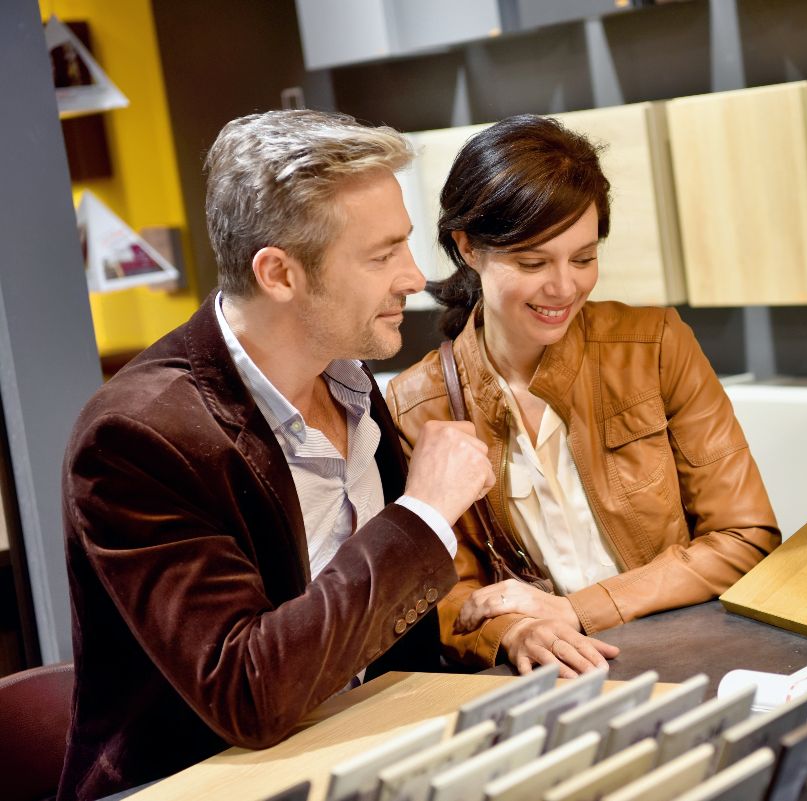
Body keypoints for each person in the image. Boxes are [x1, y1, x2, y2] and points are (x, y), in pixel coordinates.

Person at [59, 110, 495, 801]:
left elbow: (360, 626)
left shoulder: (346, 380)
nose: (415, 277)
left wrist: (488, 617)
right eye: (382, 255)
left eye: (405, 245)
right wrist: (422, 516)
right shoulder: (135, 438)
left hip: (357, 751)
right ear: (279, 273)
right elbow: (248, 691)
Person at [388, 115, 807, 676]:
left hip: (697, 650)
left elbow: (744, 538)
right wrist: (514, 630)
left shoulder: (655, 345)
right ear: (468, 247)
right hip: (554, 680)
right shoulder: (416, 404)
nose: (564, 287)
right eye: (533, 262)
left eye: (584, 258)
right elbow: (441, 597)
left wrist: (574, 610)